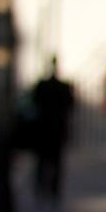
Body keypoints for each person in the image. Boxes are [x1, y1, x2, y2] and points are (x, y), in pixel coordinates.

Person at [30, 61, 75, 201]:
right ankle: (51, 190)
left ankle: (43, 189)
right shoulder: (61, 87)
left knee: (44, 161)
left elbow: (34, 102)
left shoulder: (44, 86)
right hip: (53, 129)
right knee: (53, 161)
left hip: (45, 128)